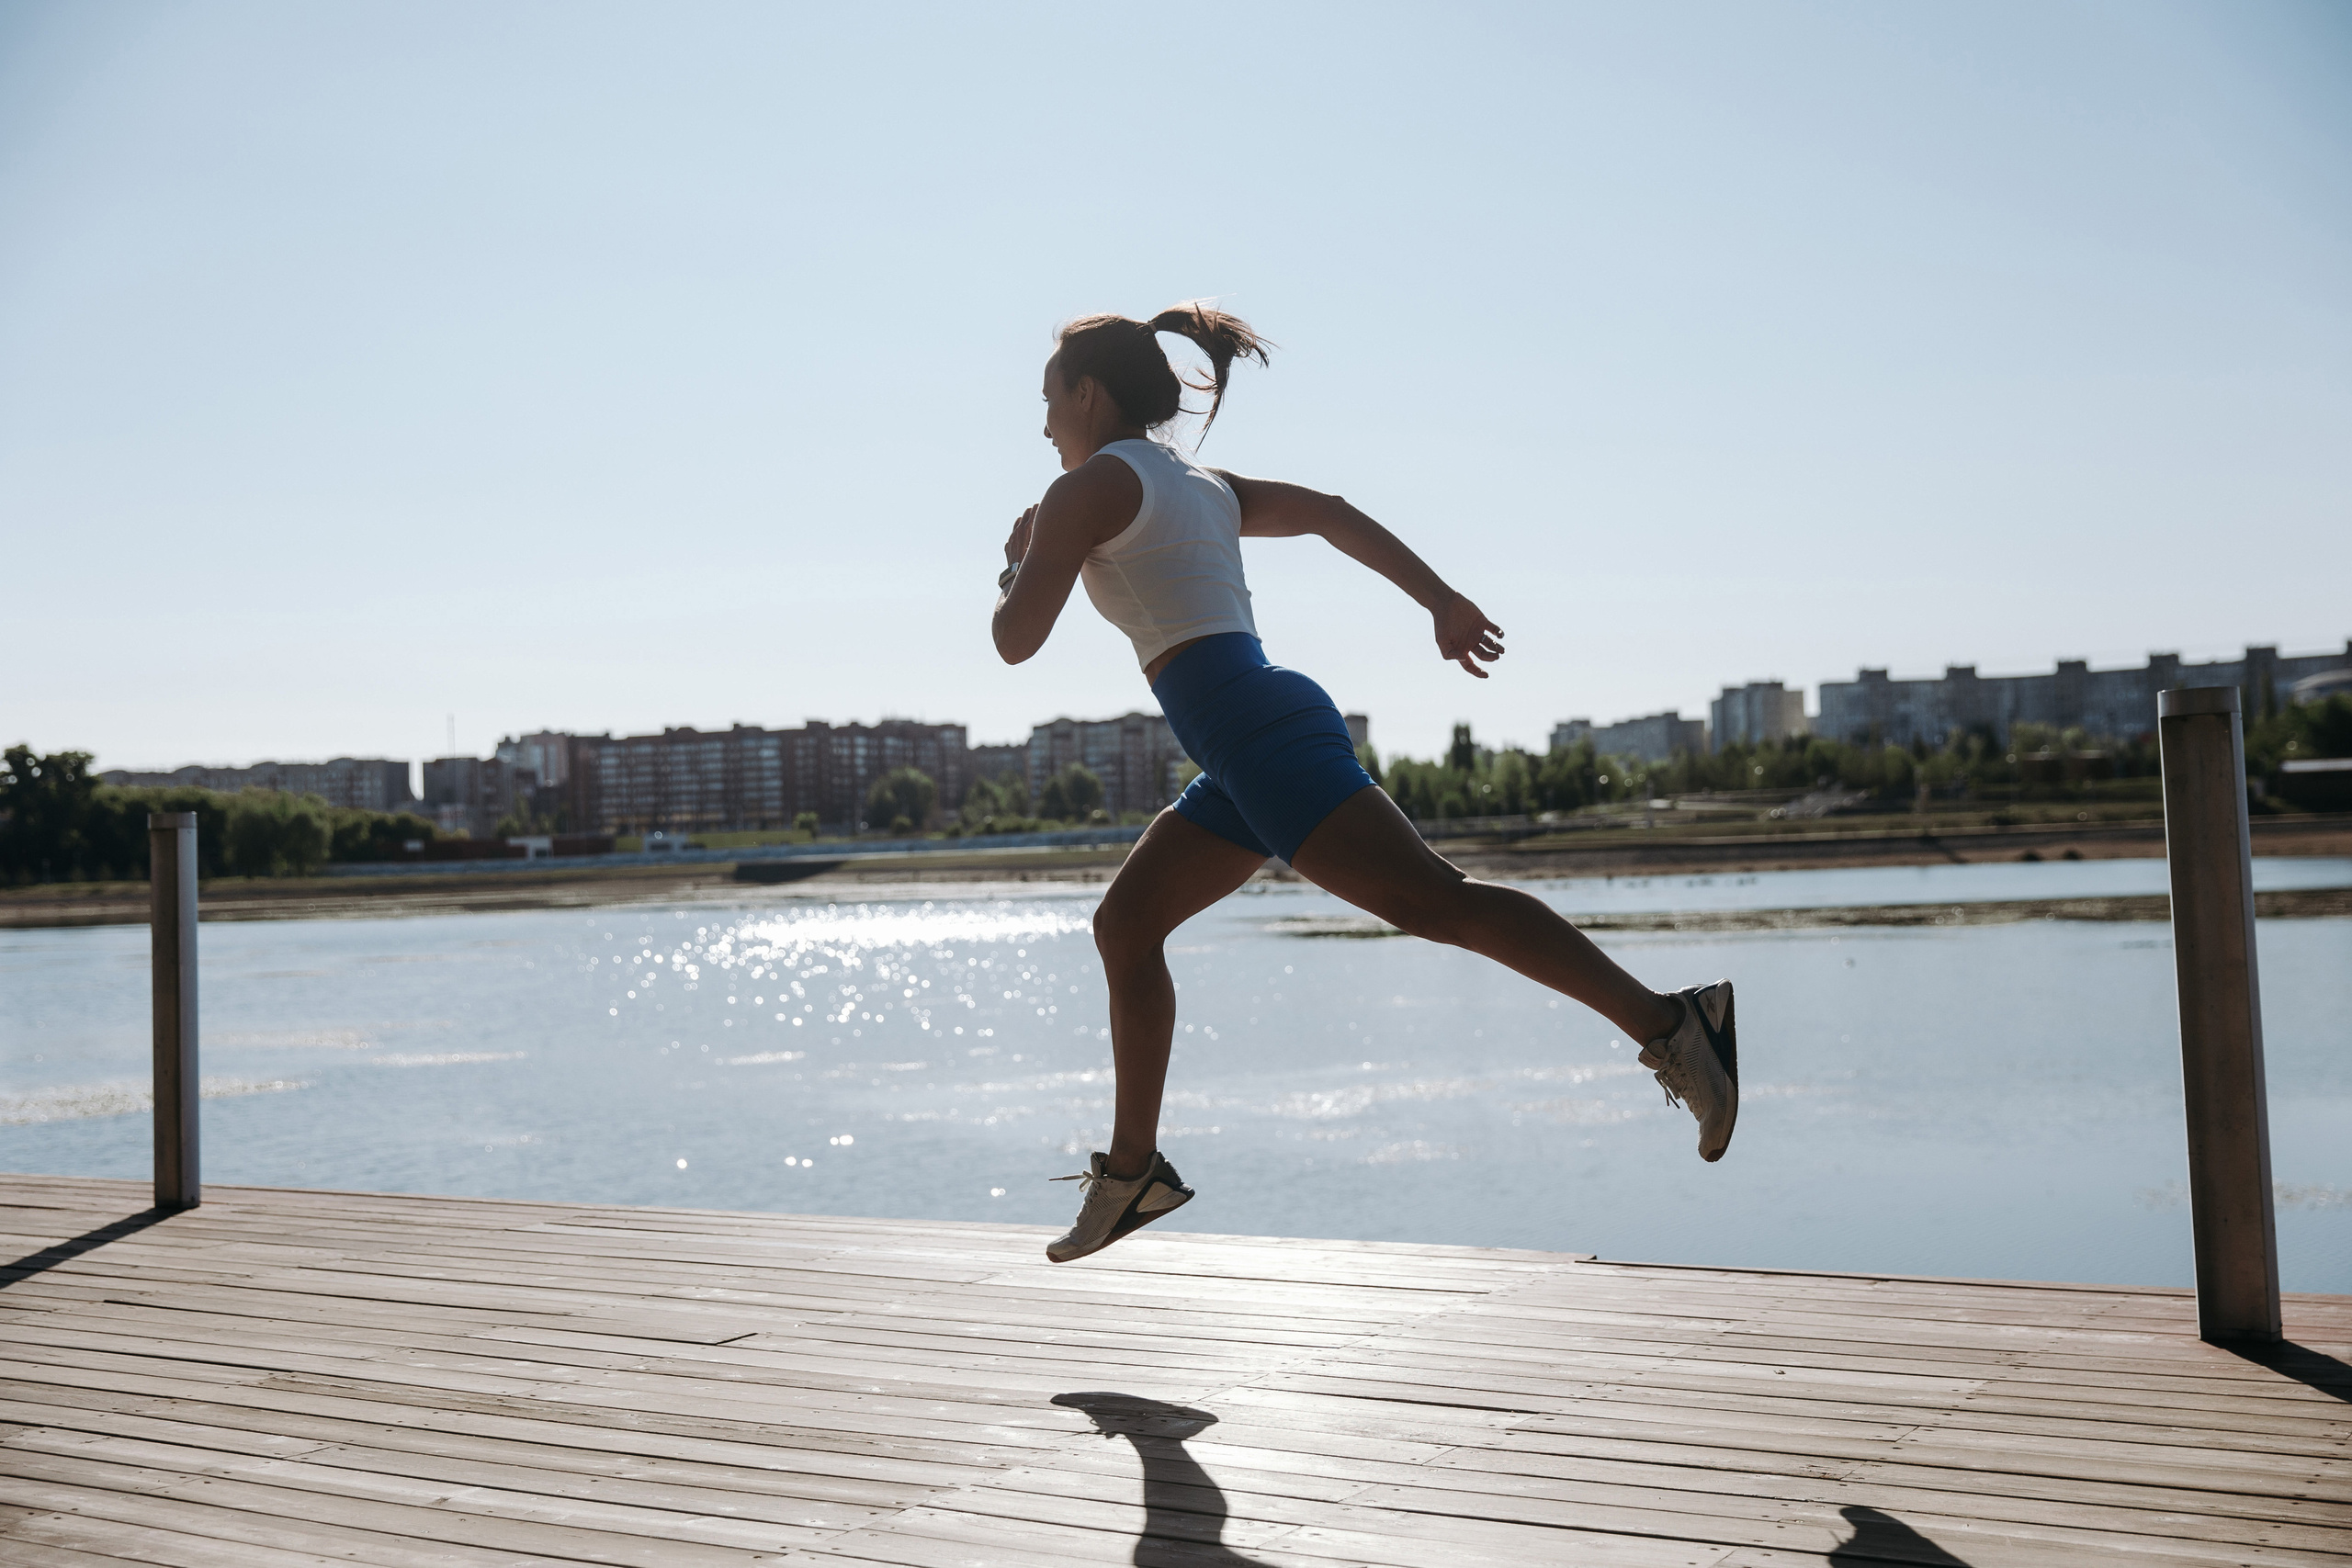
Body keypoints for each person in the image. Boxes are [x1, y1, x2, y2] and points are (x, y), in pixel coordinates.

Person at [993, 304, 1737, 1264]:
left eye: (1048, 400)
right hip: (1250, 736)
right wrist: (1440, 600)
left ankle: (1674, 1024)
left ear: (1089, 394)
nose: (1043, 423)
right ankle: (1133, 1173)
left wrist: (1020, 562)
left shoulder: (1085, 489)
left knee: (1437, 902)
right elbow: (1330, 513)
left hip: (1255, 734)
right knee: (1126, 927)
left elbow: (1016, 640)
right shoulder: (1200, 482)